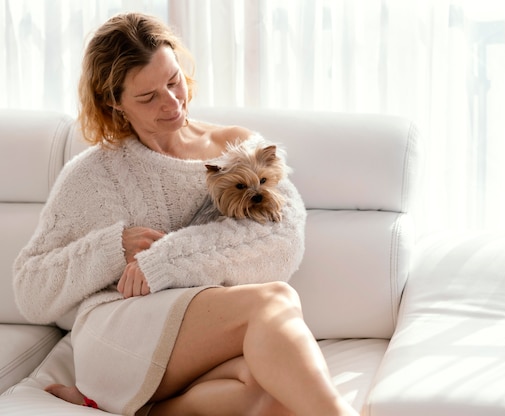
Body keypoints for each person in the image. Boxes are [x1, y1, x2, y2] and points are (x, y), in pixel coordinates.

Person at [12, 12, 359, 416]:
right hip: (119, 333)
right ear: (114, 102)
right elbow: (30, 290)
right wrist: (112, 247)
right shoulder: (94, 174)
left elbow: (284, 241)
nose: (173, 102)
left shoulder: (237, 146)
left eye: (174, 81)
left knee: (273, 393)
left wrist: (164, 260)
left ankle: (140, 410)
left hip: (205, 331)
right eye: (148, 96)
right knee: (275, 300)